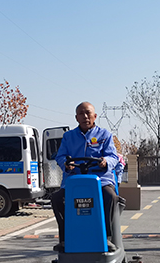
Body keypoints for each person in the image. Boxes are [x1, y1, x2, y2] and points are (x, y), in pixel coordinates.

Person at [51, 102, 119, 252]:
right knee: (57, 199)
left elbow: (113, 156)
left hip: (100, 180)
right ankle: (65, 238)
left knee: (110, 197)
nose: (85, 116)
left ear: (95, 116)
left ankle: (106, 237)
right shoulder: (68, 137)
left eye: (88, 113)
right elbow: (61, 156)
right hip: (76, 180)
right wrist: (66, 164)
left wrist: (105, 162)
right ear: (76, 118)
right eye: (81, 113)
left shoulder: (105, 135)